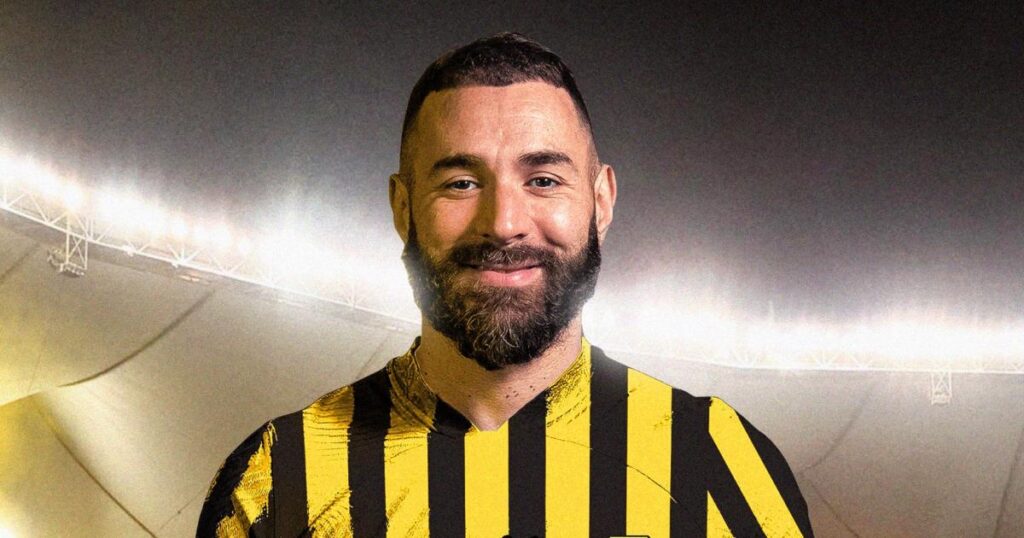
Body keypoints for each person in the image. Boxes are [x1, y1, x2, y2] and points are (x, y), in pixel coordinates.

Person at [197, 32, 813, 537]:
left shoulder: (718, 460)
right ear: (402, 208)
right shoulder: (278, 477)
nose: (504, 222)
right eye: (461, 183)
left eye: (543, 180)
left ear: (601, 201)